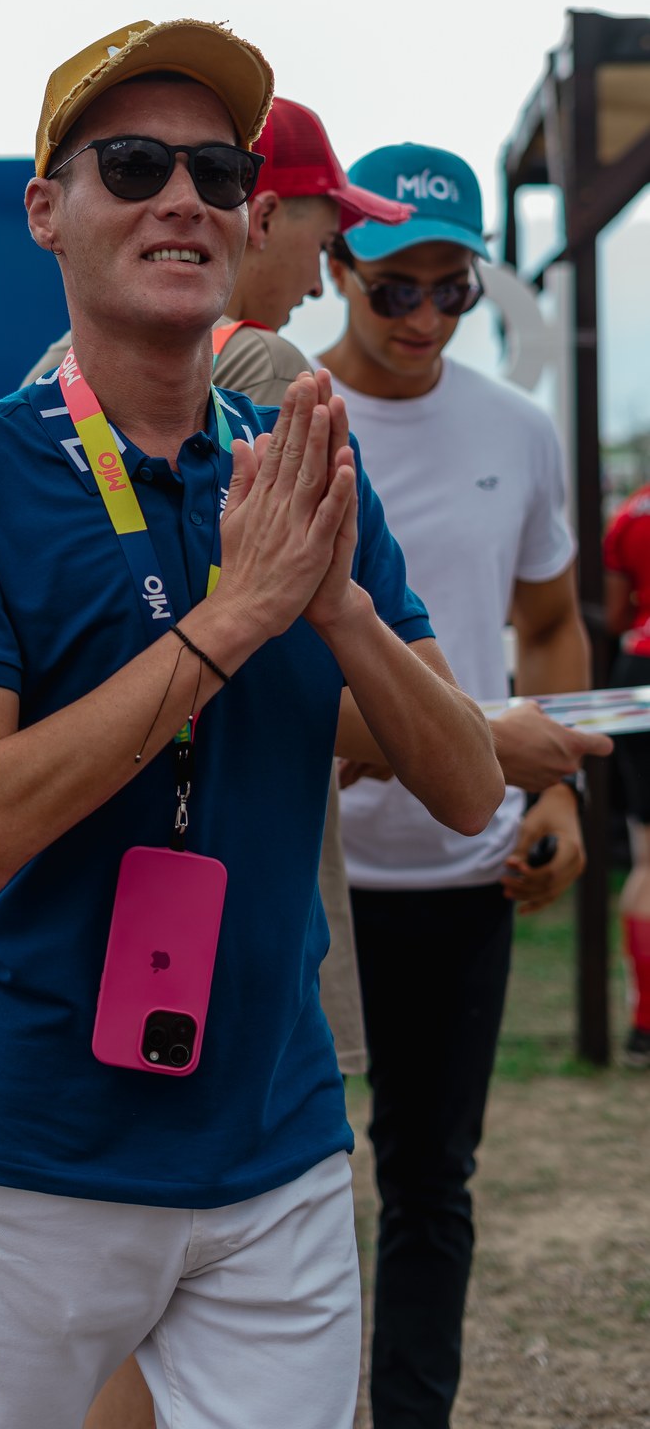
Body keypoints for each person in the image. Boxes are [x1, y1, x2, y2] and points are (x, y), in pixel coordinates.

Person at [0, 19, 504, 1429]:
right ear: (46, 211)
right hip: (32, 1160)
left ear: (247, 212)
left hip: (274, 1156)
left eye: (218, 172)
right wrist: (237, 617)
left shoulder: (308, 466)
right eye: (134, 165)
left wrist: (339, 609)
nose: (184, 198)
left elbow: (470, 787)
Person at [319, 143, 611, 1429]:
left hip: (459, 868)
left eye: (455, 289)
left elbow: (546, 626)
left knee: (432, 1181)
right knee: (272, 1183)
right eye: (397, 289)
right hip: (305, 866)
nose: (427, 318)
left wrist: (558, 798)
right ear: (338, 264)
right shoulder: (273, 418)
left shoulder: (516, 429)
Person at [603, 481, 650, 1066]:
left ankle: (644, 1025)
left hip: (637, 673)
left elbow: (617, 615)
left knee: (647, 861)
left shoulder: (631, 511)